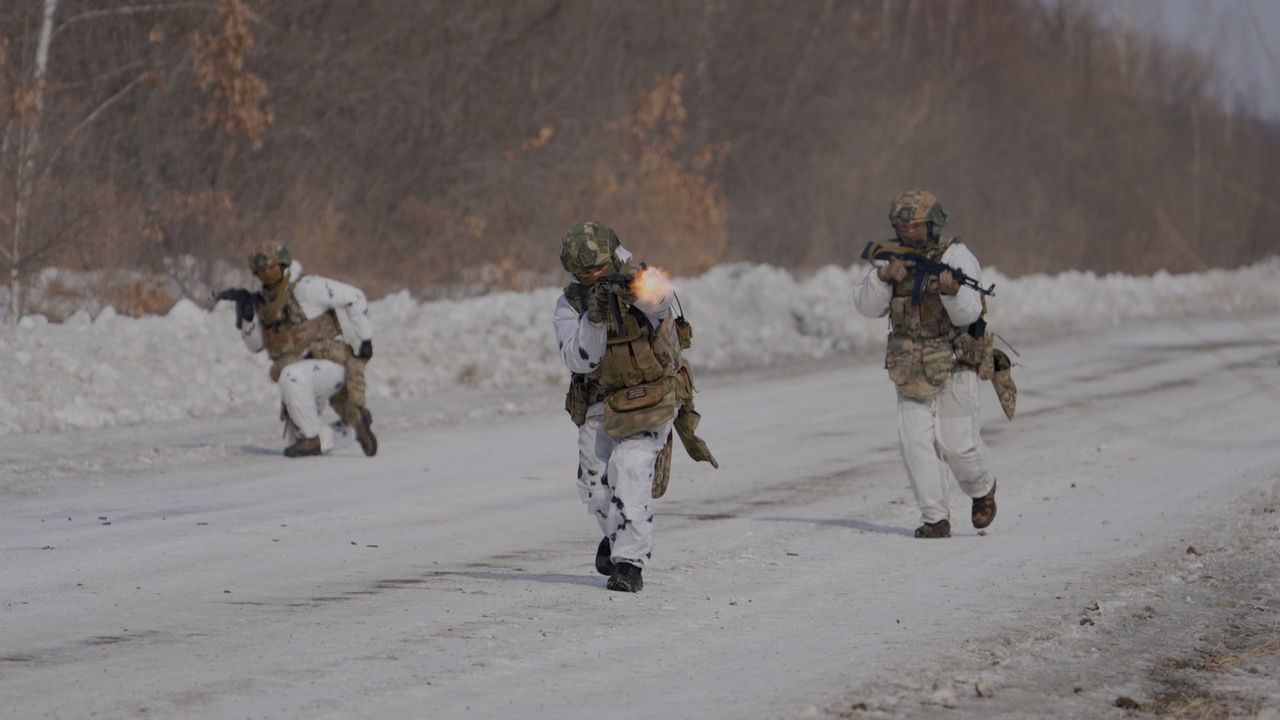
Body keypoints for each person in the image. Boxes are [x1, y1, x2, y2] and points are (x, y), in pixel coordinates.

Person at [552, 220, 716, 592]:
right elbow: (581, 360)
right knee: (594, 485)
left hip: (651, 395)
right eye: (583, 272)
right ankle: (616, 537)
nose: (590, 276)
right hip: (602, 398)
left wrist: (630, 291)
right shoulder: (570, 303)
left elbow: (660, 300)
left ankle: (629, 563)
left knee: (628, 467)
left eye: (596, 268)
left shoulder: (643, 277)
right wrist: (594, 316)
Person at [853, 190, 998, 539]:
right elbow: (865, 307)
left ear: (932, 224)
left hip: (955, 357)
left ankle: (982, 488)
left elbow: (971, 312)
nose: (908, 232)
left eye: (916, 225)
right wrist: (883, 277)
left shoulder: (957, 256)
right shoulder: (892, 258)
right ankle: (935, 517)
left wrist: (950, 292)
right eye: (903, 226)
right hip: (910, 361)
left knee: (956, 442)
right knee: (914, 441)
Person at [218, 242, 377, 459]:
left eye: (271, 269)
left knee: (290, 377)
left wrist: (365, 339)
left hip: (331, 366)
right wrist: (247, 318)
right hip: (303, 376)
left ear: (283, 265)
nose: (267, 274)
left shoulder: (307, 287)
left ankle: (311, 440)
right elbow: (255, 346)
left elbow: (354, 297)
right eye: (261, 272)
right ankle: (354, 429)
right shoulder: (265, 301)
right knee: (294, 440)